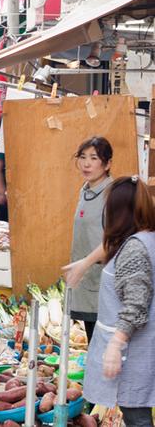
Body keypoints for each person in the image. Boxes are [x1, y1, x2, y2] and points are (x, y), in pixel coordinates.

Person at [81, 176, 155, 426]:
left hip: (136, 353)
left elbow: (136, 304)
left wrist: (115, 345)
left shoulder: (134, 248)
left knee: (136, 415)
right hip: (141, 351)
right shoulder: (145, 238)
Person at [63, 136, 115, 339]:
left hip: (103, 281)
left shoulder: (111, 195)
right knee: (93, 341)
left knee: (102, 343)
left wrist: (85, 264)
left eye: (94, 158)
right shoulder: (85, 190)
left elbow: (113, 240)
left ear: (108, 163)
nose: (86, 163)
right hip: (85, 279)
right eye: (83, 157)